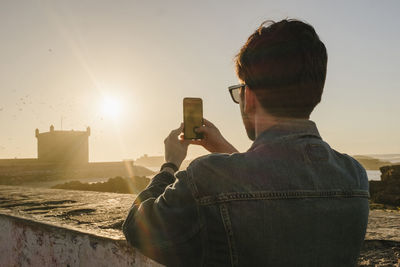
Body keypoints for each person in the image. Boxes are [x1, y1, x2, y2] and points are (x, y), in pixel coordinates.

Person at [123, 19, 369, 266]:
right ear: (317, 92)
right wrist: (227, 151)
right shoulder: (354, 177)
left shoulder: (206, 177)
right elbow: (272, 184)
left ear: (248, 97)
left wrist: (170, 165)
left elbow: (137, 228)